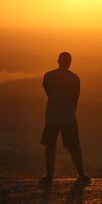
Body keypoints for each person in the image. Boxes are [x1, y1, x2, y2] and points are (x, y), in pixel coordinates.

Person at [40, 52, 90, 185]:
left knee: (50, 146)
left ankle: (49, 177)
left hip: (52, 115)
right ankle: (81, 175)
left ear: (58, 61)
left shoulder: (48, 76)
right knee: (74, 147)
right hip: (68, 116)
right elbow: (75, 98)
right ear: (70, 63)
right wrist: (70, 109)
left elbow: (48, 93)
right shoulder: (75, 78)